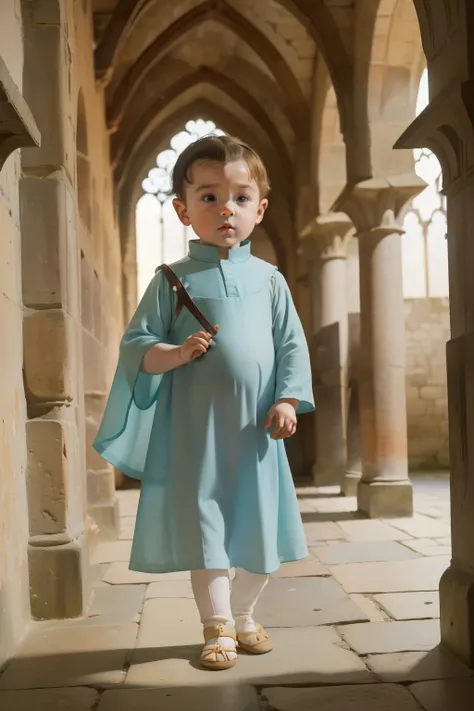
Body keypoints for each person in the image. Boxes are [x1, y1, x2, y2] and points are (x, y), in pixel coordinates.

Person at [93, 134, 314, 671]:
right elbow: (136, 349)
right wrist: (175, 351)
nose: (226, 210)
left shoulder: (270, 281)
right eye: (209, 197)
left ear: (259, 209)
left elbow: (291, 344)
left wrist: (287, 399)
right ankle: (216, 627)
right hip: (196, 436)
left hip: (258, 434)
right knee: (208, 529)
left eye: (240, 197)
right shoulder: (171, 281)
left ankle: (244, 614)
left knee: (264, 530)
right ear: (182, 210)